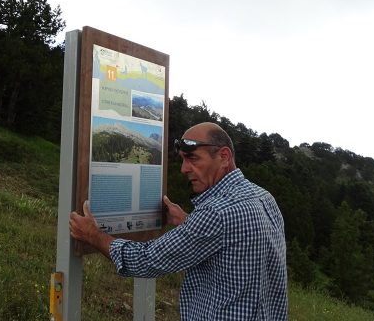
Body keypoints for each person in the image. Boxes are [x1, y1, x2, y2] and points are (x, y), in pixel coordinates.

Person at [70, 122, 287, 320]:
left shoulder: (216, 213)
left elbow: (147, 260)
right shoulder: (263, 198)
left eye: (192, 158)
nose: (184, 169)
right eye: (182, 159)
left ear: (224, 156)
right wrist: (188, 221)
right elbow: (233, 243)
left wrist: (92, 234)